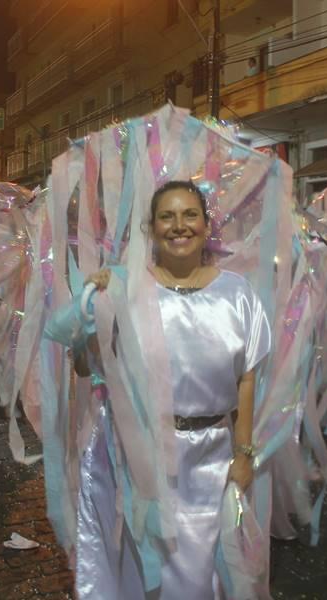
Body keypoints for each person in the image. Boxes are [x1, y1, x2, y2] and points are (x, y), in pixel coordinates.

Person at [61, 181, 271, 598]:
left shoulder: (238, 292)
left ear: (206, 224)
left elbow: (247, 376)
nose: (179, 226)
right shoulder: (126, 290)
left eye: (190, 215)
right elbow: (86, 367)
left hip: (210, 458)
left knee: (199, 577)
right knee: (138, 573)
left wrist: (243, 453)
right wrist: (91, 312)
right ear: (151, 228)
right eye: (167, 216)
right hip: (138, 458)